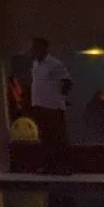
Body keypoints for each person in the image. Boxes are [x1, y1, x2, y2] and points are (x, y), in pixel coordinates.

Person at [27, 38, 73, 175]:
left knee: (58, 138)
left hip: (53, 107)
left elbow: (67, 82)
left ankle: (64, 167)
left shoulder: (54, 64)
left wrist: (60, 97)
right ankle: (48, 166)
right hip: (39, 105)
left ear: (44, 48)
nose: (33, 51)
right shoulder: (35, 64)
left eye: (36, 48)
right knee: (45, 138)